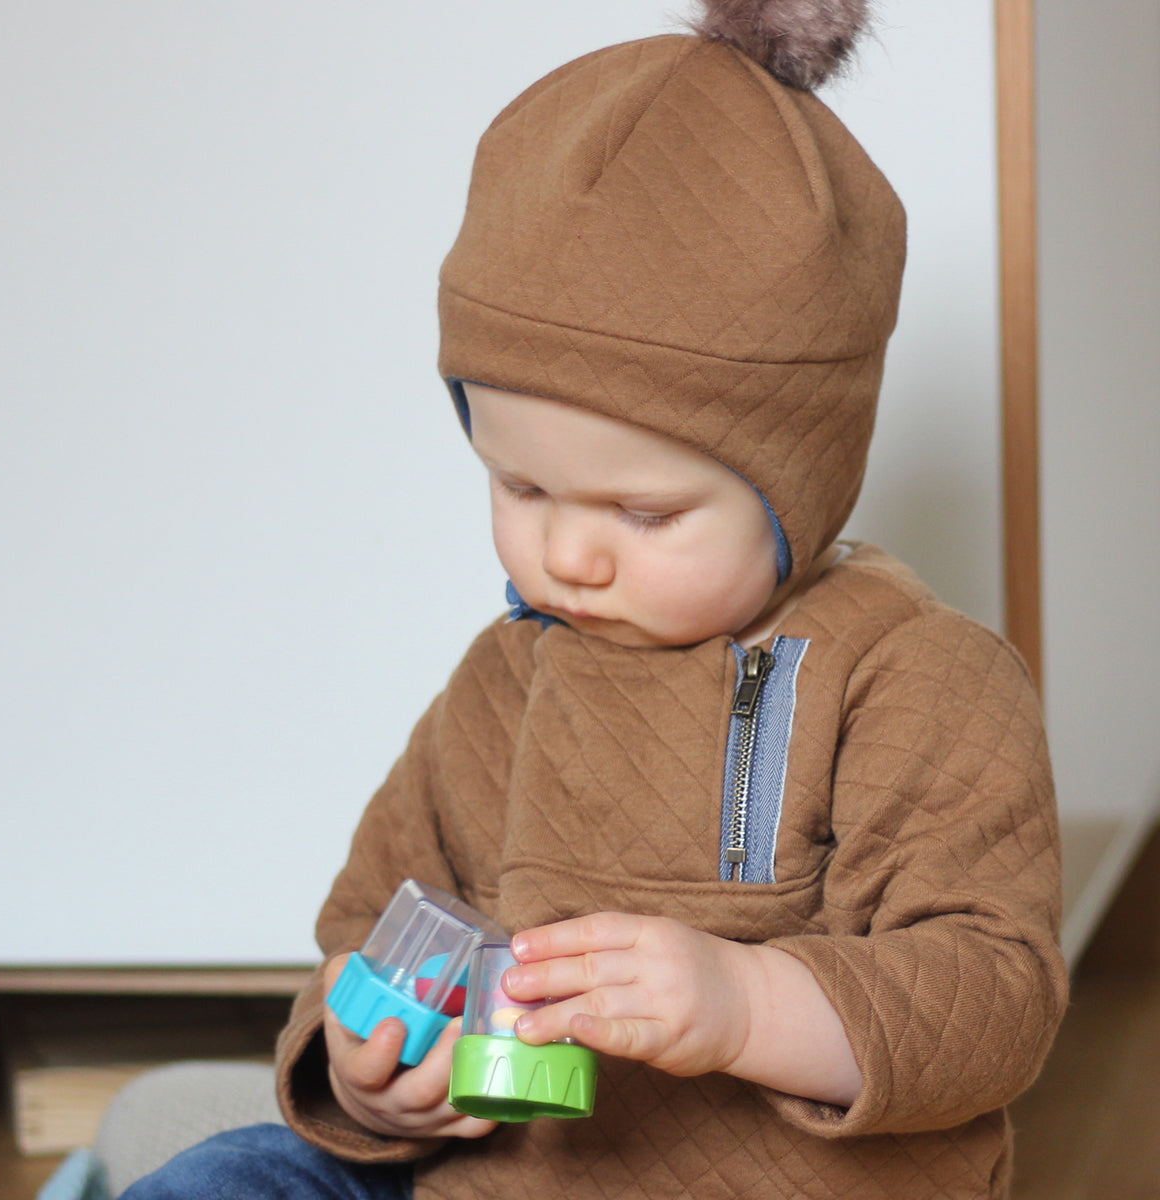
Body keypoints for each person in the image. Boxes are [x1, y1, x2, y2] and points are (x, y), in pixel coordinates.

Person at [123, 1, 1067, 1197]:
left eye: (644, 513)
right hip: (501, 1178)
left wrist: (745, 1003)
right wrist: (367, 1072)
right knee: (230, 1170)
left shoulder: (913, 676)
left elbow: (993, 992)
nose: (569, 554)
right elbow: (371, 923)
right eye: (521, 487)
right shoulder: (505, 678)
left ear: (797, 483)